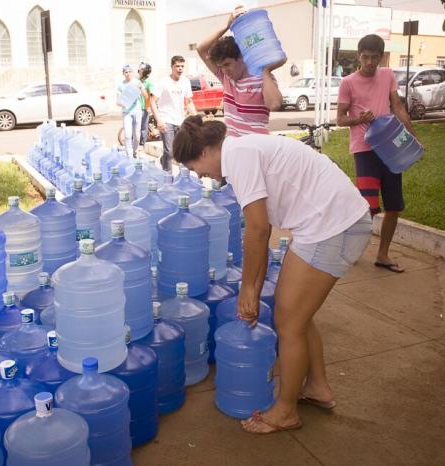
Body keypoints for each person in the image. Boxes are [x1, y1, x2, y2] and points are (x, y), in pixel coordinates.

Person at [172, 115, 371, 434]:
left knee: (288, 321)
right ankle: (317, 386)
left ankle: (285, 411)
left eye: (196, 167)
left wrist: (249, 290)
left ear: (208, 150)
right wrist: (252, 284)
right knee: (297, 313)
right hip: (331, 222)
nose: (200, 176)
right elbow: (259, 234)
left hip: (331, 225)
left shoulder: (237, 155)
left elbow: (258, 229)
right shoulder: (244, 149)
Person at [337, 34, 418, 273]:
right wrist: (358, 120)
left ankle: (383, 255)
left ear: (381, 57)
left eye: (374, 57)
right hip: (364, 150)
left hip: (390, 148)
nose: (369, 62)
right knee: (368, 206)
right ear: (358, 56)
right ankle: (348, 248)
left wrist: (413, 137)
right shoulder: (348, 82)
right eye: (365, 57)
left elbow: (398, 107)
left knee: (394, 205)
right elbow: (340, 119)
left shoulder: (388, 75)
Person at [196, 5, 283, 137]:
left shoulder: (262, 77)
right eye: (221, 66)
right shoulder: (226, 79)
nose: (224, 71)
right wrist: (227, 25)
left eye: (227, 64)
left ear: (241, 57)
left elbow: (275, 104)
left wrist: (265, 71)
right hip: (235, 149)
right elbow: (201, 49)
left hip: (257, 149)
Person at [150, 55, 196, 170]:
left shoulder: (185, 82)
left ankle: (163, 160)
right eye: (177, 66)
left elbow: (189, 101)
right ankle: (168, 180)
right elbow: (152, 101)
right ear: (172, 67)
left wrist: (197, 118)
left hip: (180, 121)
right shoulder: (164, 82)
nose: (180, 68)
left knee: (179, 152)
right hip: (166, 121)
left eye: (182, 66)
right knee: (169, 151)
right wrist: (159, 120)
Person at [117, 64, 144, 158]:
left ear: (132, 72)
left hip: (137, 111)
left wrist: (141, 88)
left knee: (136, 135)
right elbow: (118, 101)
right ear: (123, 73)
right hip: (126, 112)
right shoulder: (121, 85)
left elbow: (145, 95)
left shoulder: (137, 82)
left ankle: (135, 151)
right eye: (126, 72)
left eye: (129, 72)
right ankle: (129, 154)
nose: (128, 74)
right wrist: (123, 103)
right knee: (128, 135)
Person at [138, 62, 154, 147]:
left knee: (143, 128)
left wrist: (149, 107)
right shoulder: (138, 80)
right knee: (135, 127)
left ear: (145, 71)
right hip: (135, 108)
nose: (139, 70)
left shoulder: (149, 82)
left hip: (144, 108)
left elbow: (151, 96)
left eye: (141, 69)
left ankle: (142, 144)